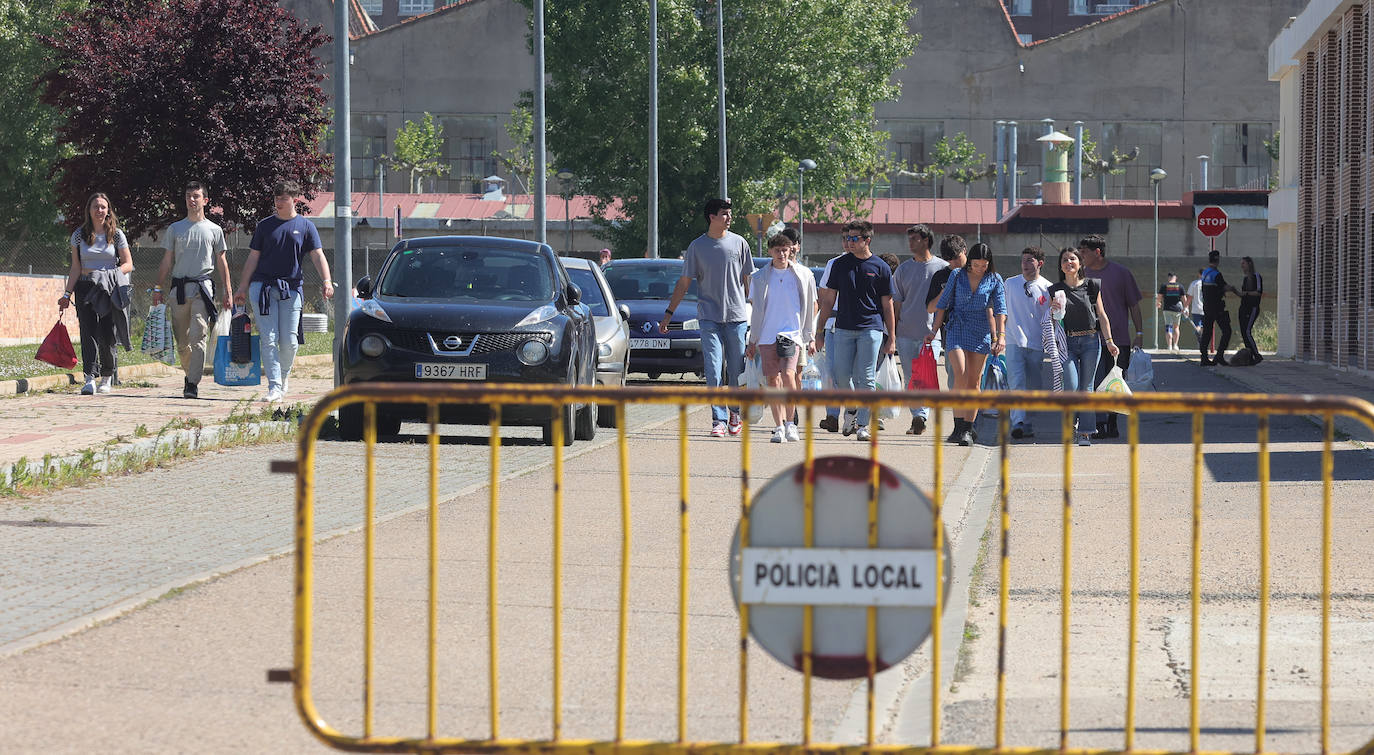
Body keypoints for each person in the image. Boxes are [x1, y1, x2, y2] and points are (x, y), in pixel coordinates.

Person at [660, 198, 754, 437]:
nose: (729, 218)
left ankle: (734, 413)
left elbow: (749, 281)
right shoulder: (697, 247)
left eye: (730, 213)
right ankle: (718, 419)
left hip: (736, 317)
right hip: (709, 317)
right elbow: (684, 283)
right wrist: (669, 314)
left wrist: (758, 313)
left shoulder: (740, 243)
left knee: (736, 369)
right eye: (724, 213)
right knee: (713, 369)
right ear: (712, 217)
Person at [234, 181, 335, 403]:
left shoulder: (306, 226)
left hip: (291, 289)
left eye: (283, 199)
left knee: (289, 341)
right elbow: (253, 258)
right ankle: (274, 386)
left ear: (295, 200)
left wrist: (326, 280)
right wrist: (242, 287)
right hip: (262, 288)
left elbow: (318, 255)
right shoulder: (264, 226)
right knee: (268, 338)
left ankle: (283, 376)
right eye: (276, 198)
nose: (279, 203)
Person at [814, 220, 896, 442]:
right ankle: (851, 408)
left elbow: (887, 304)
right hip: (842, 328)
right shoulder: (840, 265)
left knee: (866, 377)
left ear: (867, 240)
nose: (849, 242)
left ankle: (862, 425)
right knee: (840, 376)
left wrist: (892, 337)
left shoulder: (881, 267)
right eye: (847, 238)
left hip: (871, 328)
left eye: (854, 238)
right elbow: (828, 300)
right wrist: (820, 330)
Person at [153, 181, 232, 399]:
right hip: (178, 289)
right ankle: (189, 375)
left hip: (202, 289)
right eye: (188, 195)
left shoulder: (214, 230)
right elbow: (167, 261)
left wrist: (228, 291)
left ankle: (192, 383)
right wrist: (157, 288)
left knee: (199, 336)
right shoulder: (175, 229)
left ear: (205, 200)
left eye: (196, 196)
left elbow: (222, 262)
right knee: (182, 342)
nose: (192, 199)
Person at [924, 242, 1006, 446]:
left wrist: (1000, 336)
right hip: (957, 327)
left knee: (974, 382)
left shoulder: (994, 279)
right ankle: (959, 425)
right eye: (977, 264)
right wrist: (934, 330)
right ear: (969, 261)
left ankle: (967, 429)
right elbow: (942, 304)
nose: (980, 268)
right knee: (959, 373)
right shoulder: (957, 275)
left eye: (984, 265)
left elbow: (1000, 309)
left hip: (981, 331)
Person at [59, 193, 134, 395]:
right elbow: (75, 267)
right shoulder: (78, 235)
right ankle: (90, 377)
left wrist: (111, 274)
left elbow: (128, 264)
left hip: (108, 288)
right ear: (89, 210)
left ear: (108, 210)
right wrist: (66, 294)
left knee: (107, 333)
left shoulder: (116, 234)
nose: (99, 210)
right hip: (85, 287)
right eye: (95, 207)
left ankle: (107, 376)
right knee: (88, 332)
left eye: (103, 207)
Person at [746, 233, 817, 443]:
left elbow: (810, 307)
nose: (781, 254)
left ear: (791, 250)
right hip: (767, 335)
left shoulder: (804, 275)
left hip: (791, 334)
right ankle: (778, 427)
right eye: (777, 250)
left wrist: (810, 337)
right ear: (770, 251)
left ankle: (790, 423)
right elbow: (756, 311)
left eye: (785, 250)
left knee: (788, 375)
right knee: (772, 380)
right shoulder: (759, 278)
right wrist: (753, 340)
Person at [1048, 247, 1119, 447]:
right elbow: (1052, 322)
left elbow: (1102, 316)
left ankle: (1086, 432)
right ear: (1061, 266)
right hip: (1067, 343)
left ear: (1080, 263)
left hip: (1090, 341)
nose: (1068, 262)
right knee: (1071, 386)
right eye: (1064, 260)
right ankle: (1070, 426)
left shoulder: (1092, 285)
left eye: (1072, 259)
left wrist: (1110, 341)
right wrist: (1053, 311)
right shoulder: (1056, 289)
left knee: (1086, 388)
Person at [1079, 234, 1142, 440]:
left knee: (1115, 382)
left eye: (1084, 252)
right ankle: (1099, 424)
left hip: (1119, 339)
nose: (1081, 255)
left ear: (1097, 252)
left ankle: (1112, 424)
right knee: (1095, 382)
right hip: (1090, 339)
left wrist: (1139, 334)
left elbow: (1134, 305)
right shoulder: (1081, 275)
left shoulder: (1121, 273)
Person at [891, 224, 947, 435]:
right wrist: (893, 334)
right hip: (906, 333)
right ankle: (918, 416)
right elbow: (896, 303)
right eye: (910, 238)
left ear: (925, 241)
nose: (910, 242)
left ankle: (921, 415)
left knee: (925, 377)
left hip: (931, 334)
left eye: (915, 238)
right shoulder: (903, 269)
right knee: (911, 378)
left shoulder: (941, 268)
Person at [1003, 246, 1052, 440]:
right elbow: (1002, 311)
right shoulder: (1010, 283)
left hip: (1036, 343)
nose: (1025, 264)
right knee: (1016, 381)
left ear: (1039, 263)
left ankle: (1027, 422)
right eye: (1023, 260)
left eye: (1030, 260)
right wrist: (999, 336)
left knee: (1032, 385)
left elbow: (1052, 317)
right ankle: (1017, 422)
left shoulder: (1048, 288)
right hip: (1013, 340)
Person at [926, 234, 968, 387]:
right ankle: (959, 408)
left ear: (965, 250)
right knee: (956, 375)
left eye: (956, 257)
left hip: (976, 330)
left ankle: (974, 410)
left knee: (974, 377)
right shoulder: (941, 276)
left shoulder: (977, 272)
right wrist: (944, 292)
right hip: (951, 331)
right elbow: (931, 308)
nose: (953, 262)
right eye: (948, 259)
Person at [1198, 249, 1237, 366]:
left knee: (1207, 333)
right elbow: (1225, 287)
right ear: (1218, 260)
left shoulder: (1205, 273)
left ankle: (1204, 358)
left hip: (1207, 307)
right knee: (1227, 331)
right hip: (1217, 308)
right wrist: (1234, 289)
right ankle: (1219, 356)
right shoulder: (1217, 274)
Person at [1237, 256, 1264, 363]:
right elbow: (1243, 294)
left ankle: (1256, 354)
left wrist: (1246, 293)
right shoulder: (1245, 278)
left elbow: (1258, 292)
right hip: (1243, 307)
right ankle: (1249, 355)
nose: (1242, 266)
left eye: (1243, 263)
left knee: (1247, 331)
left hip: (1252, 307)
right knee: (1243, 331)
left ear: (1249, 264)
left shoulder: (1256, 276)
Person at [1157, 271, 1185, 352]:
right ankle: (1175, 345)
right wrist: (1185, 308)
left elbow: (1159, 297)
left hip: (1167, 309)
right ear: (1175, 277)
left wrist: (1158, 303)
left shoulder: (1164, 286)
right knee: (1176, 327)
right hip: (1177, 310)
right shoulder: (1180, 286)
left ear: (1169, 277)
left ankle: (1169, 346)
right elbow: (1184, 298)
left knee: (1168, 327)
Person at [1185, 268, 1206, 345]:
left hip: (1196, 308)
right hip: (1206, 309)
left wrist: (1186, 307)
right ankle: (1203, 340)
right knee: (1205, 326)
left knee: (1198, 325)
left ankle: (1198, 335)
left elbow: (1189, 297)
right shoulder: (1208, 283)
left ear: (1199, 274)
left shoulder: (1194, 284)